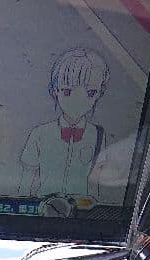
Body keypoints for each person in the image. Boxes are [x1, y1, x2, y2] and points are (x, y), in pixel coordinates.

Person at [19, 47, 109, 200]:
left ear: (99, 93)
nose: (78, 100)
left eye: (90, 92)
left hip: (80, 209)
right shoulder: (40, 134)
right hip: (45, 206)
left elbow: (96, 183)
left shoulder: (97, 135)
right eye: (67, 91)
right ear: (55, 90)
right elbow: (26, 182)